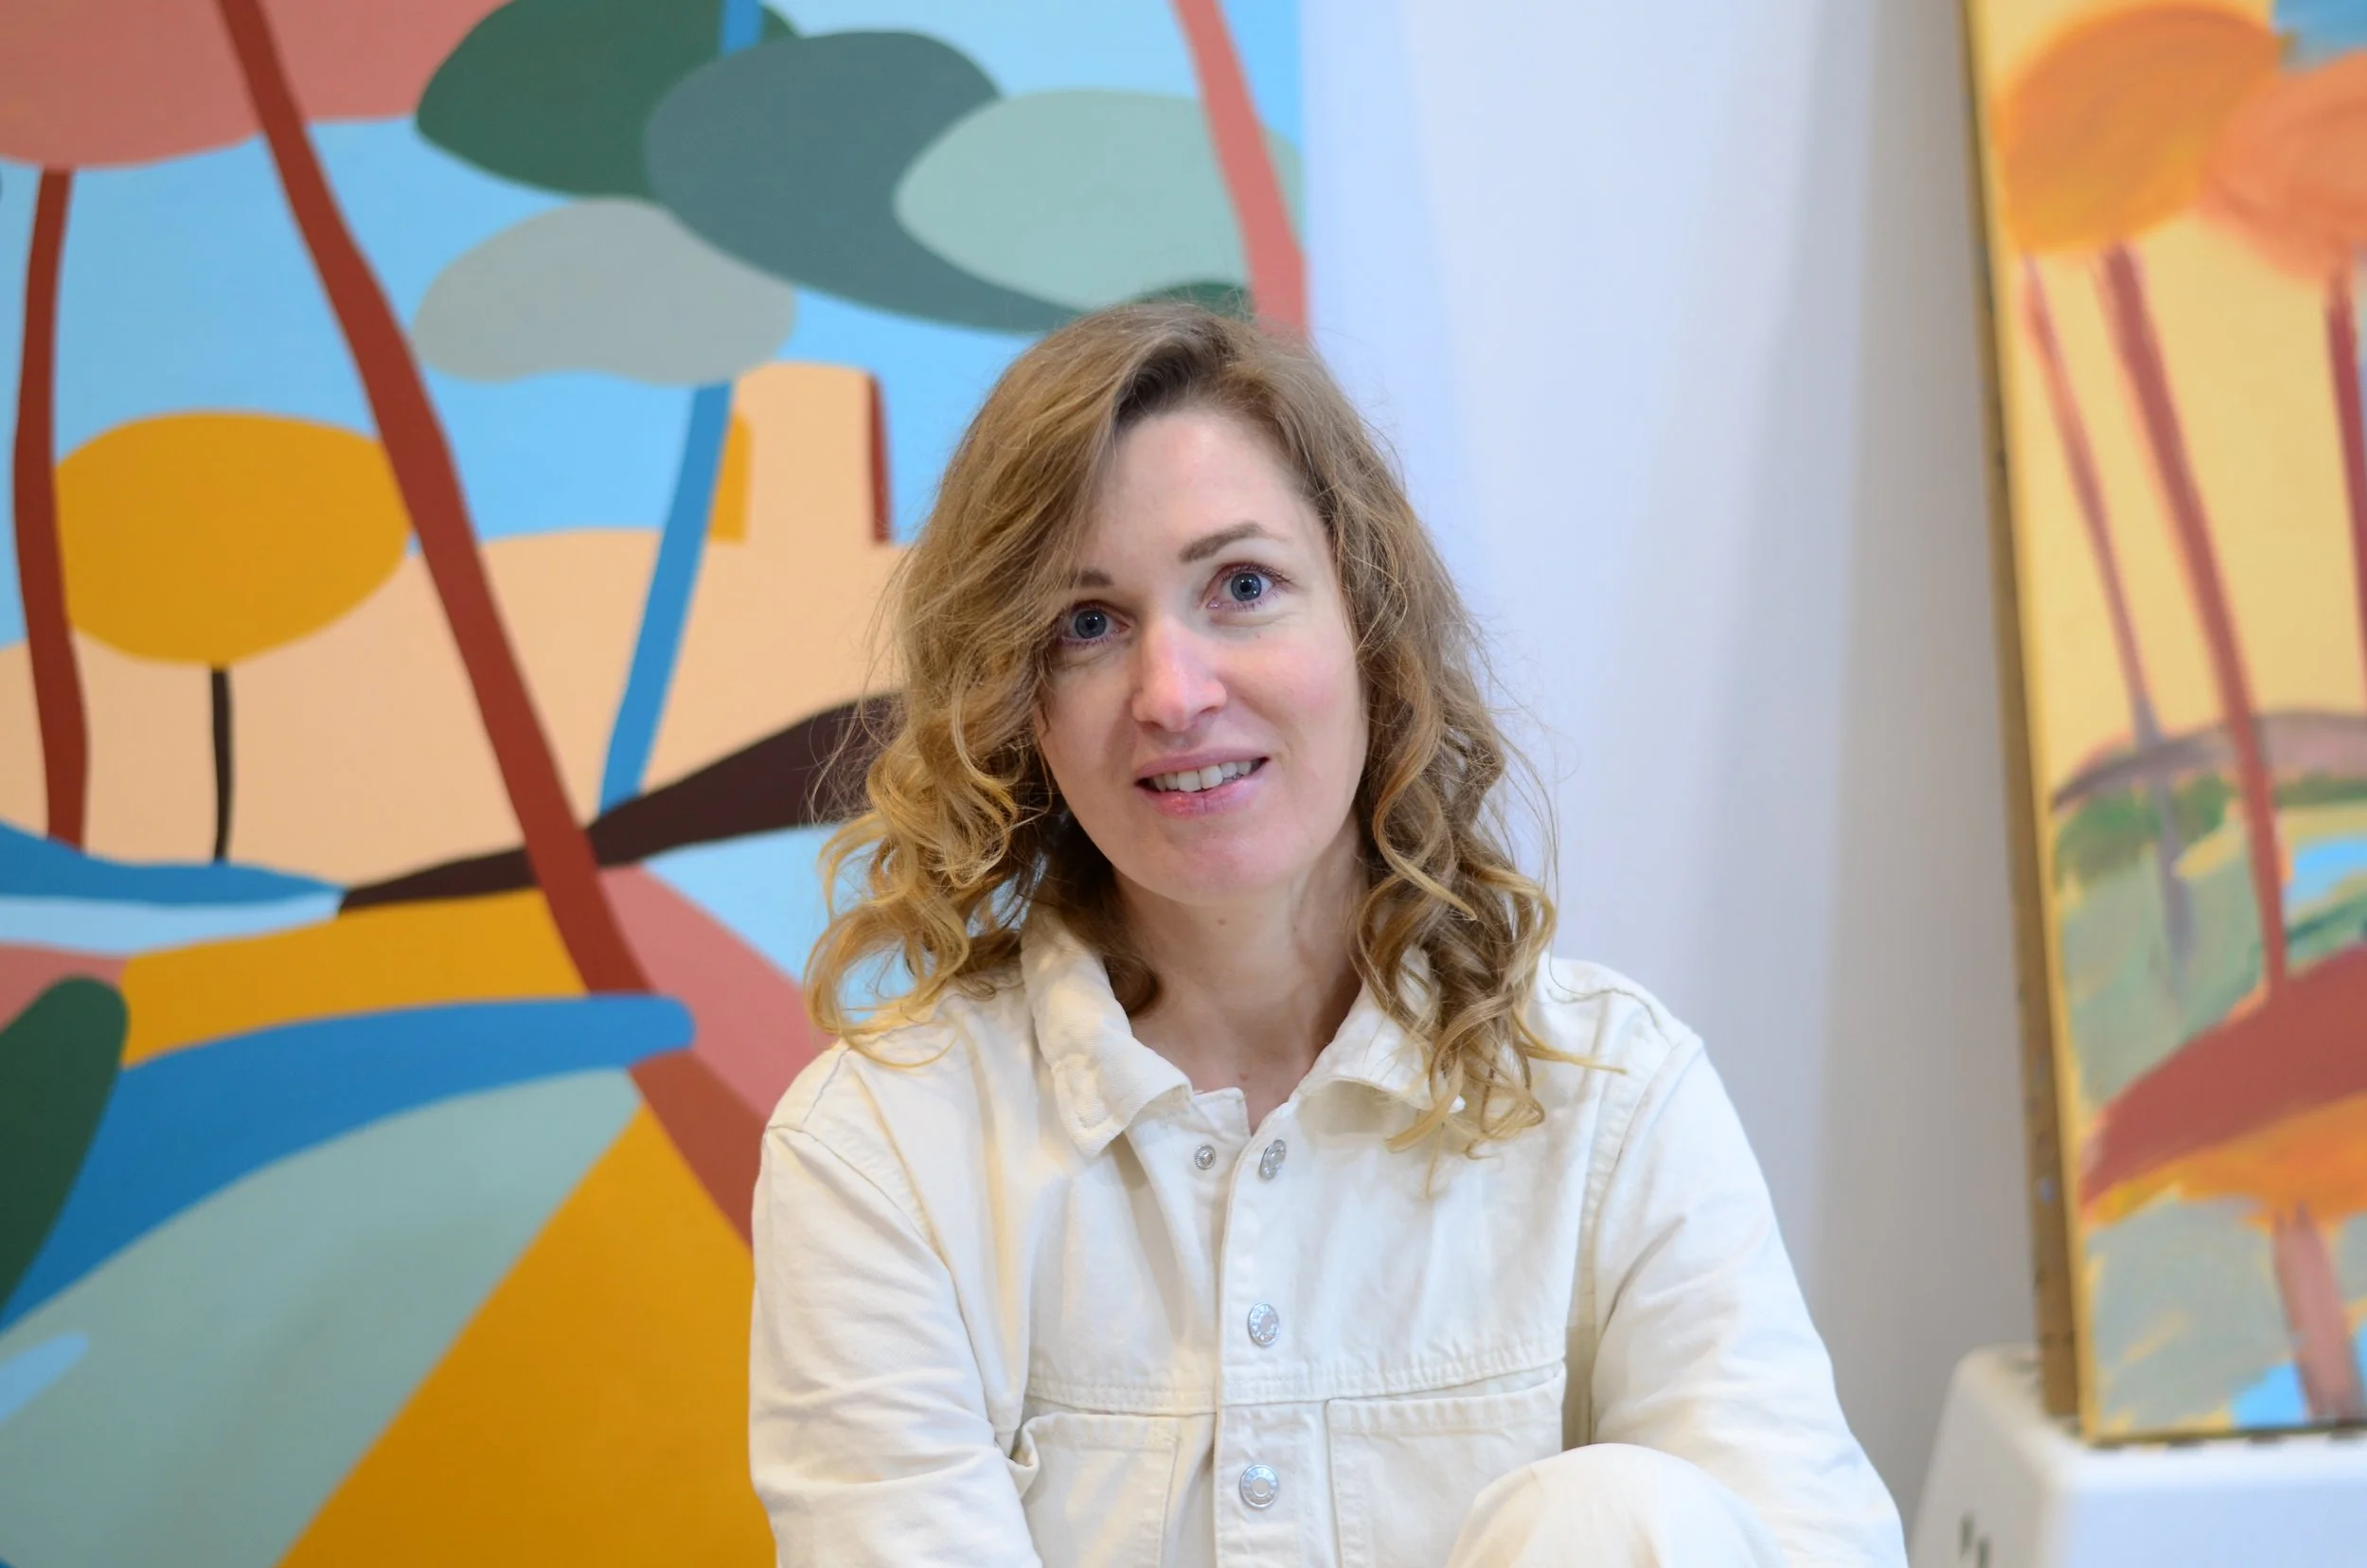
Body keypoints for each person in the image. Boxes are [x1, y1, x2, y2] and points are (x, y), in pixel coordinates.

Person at [748, 303, 1907, 1567]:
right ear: (1016, 702)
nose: (1173, 693)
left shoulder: (1614, 1100)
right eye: (1087, 625)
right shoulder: (881, 1153)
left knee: (1618, 1517)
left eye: (1242, 587)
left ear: (1367, 622)